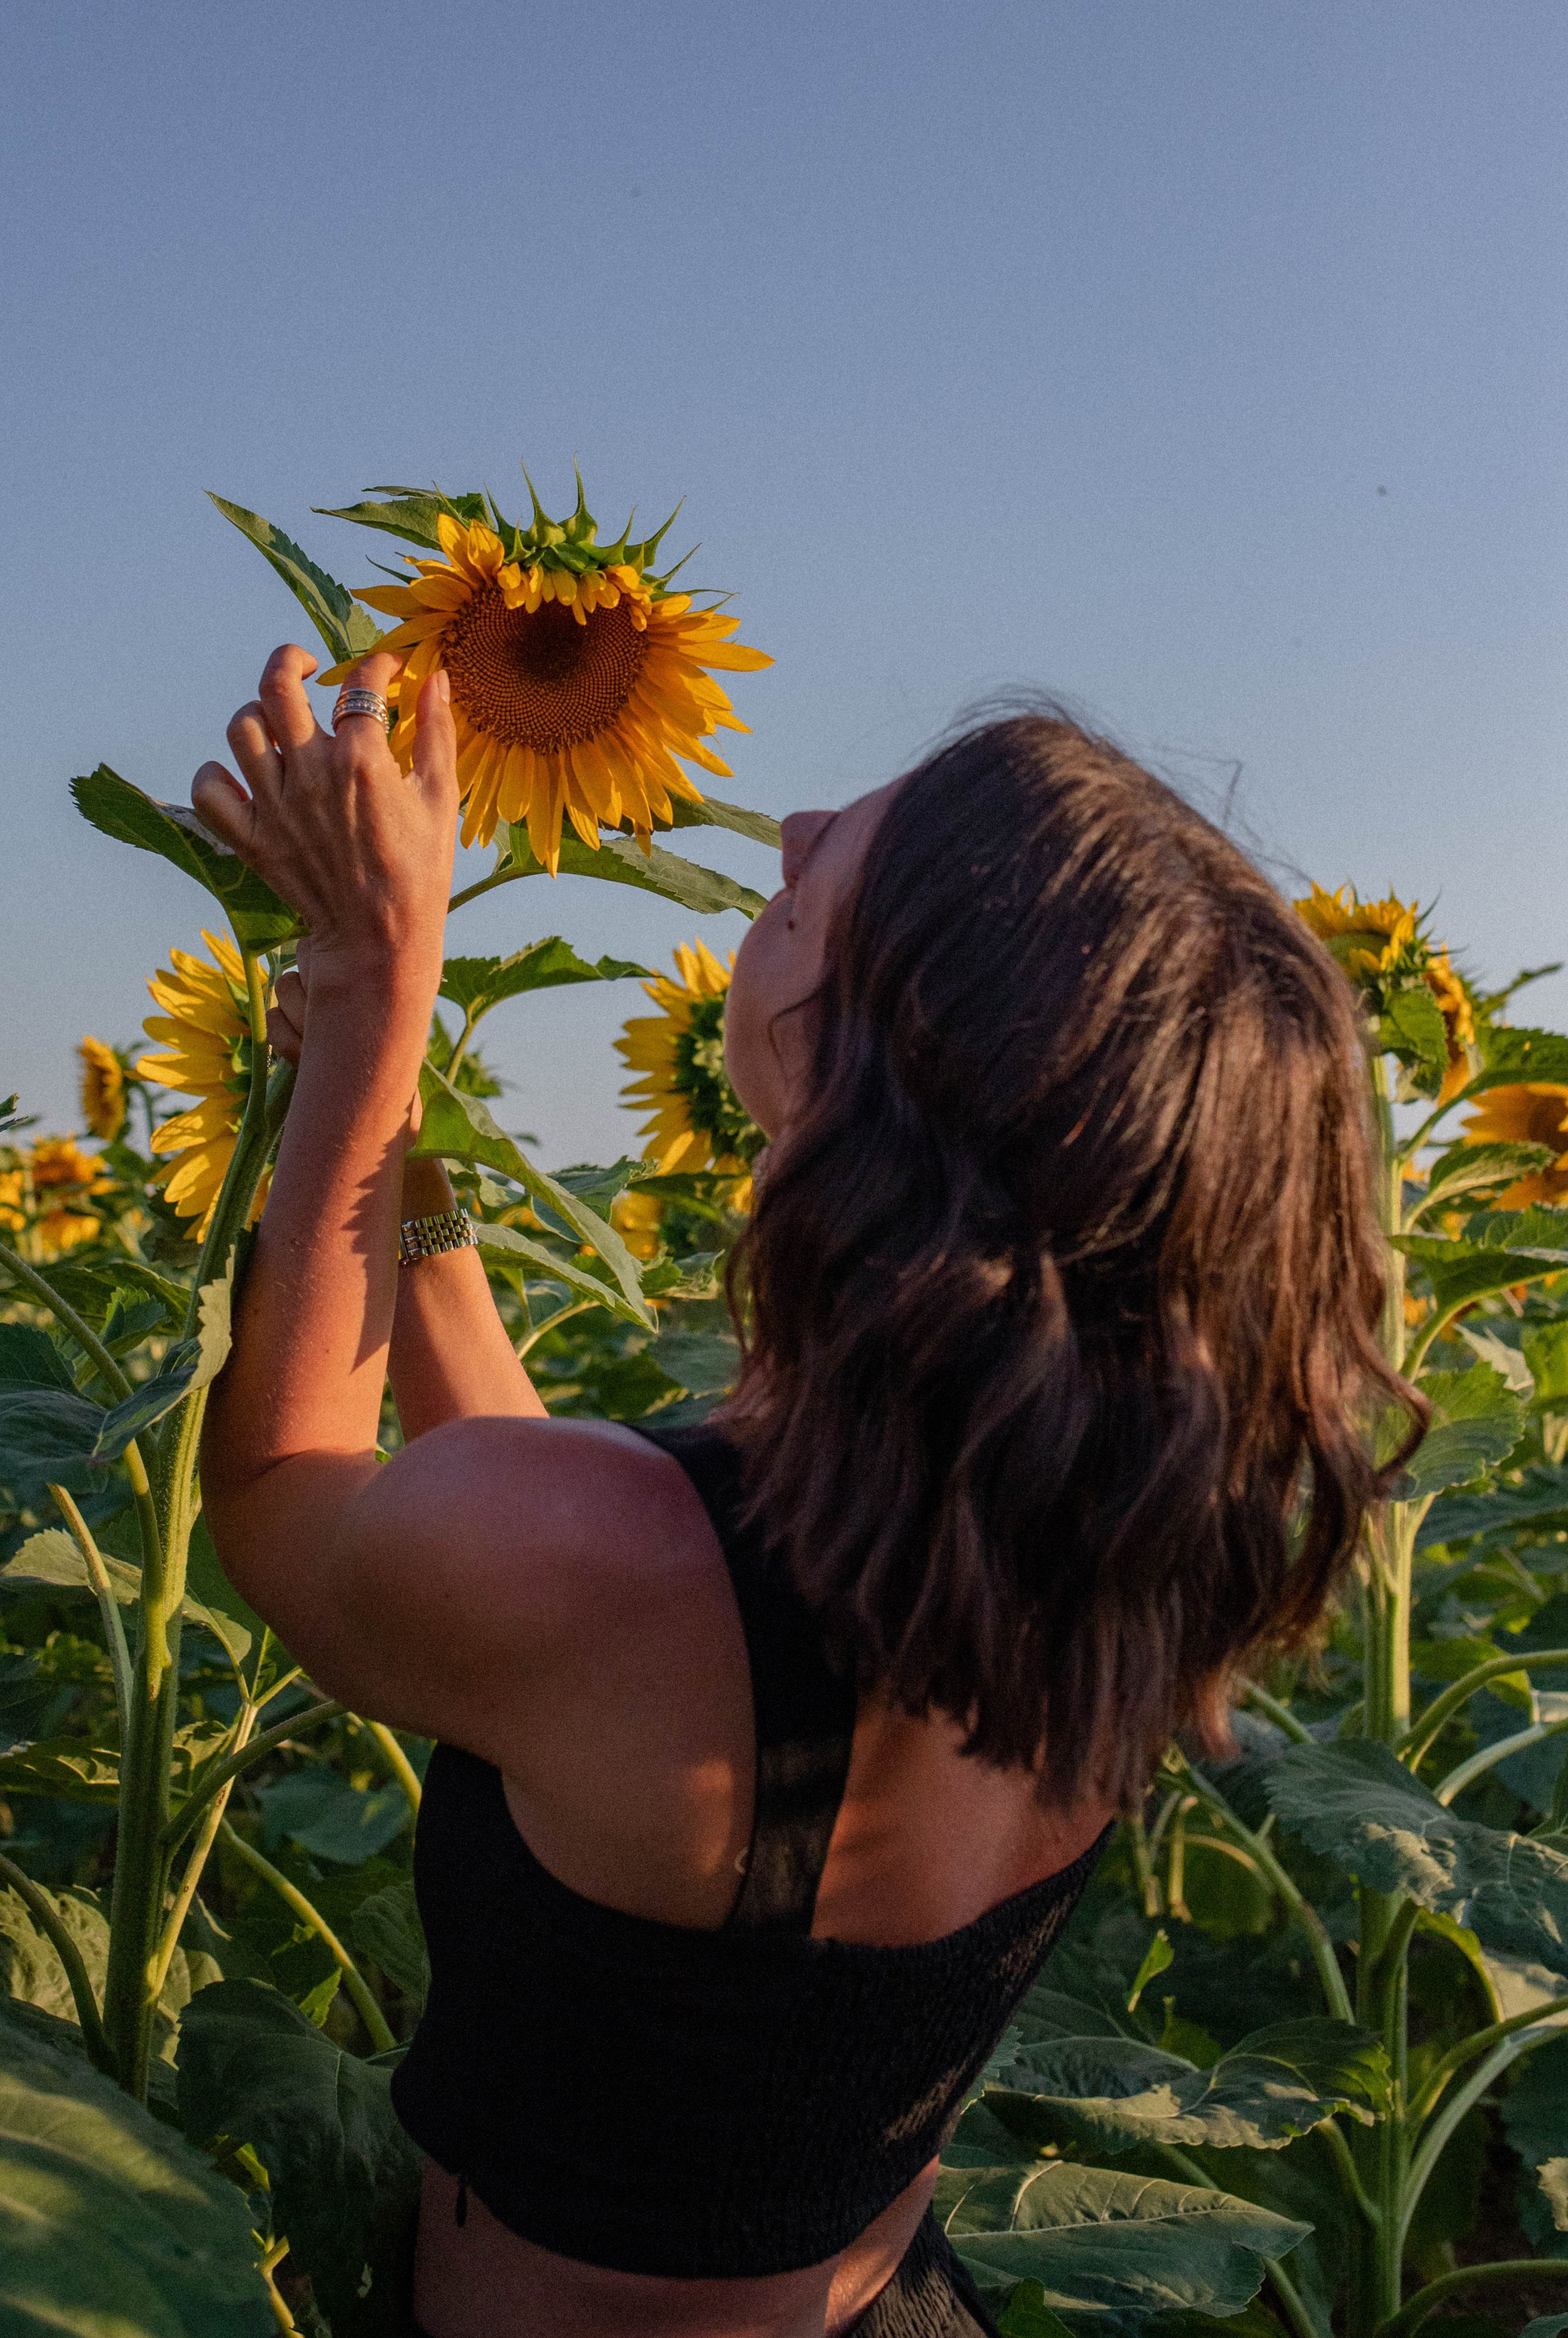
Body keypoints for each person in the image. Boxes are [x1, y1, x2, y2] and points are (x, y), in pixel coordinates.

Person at [192, 646, 1413, 2338]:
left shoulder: (607, 1577)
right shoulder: (1102, 1540)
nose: (788, 826)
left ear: (857, 1056)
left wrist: (364, 993)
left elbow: (284, 1488)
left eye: (840, 853)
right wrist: (403, 1161)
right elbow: (582, 1566)